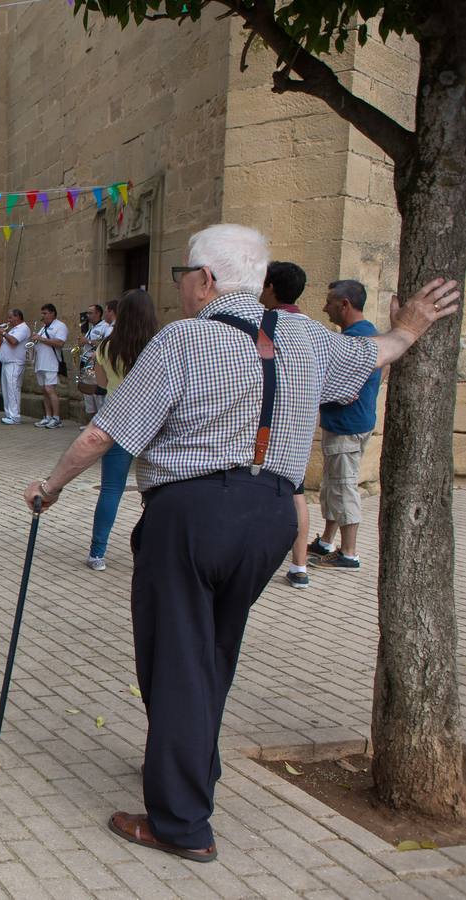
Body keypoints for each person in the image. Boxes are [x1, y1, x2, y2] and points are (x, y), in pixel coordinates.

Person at [22, 223, 459, 865]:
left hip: (192, 514)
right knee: (214, 648)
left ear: (207, 280)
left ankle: (181, 823)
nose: (180, 290)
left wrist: (49, 487)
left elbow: (102, 434)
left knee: (176, 659)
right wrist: (411, 327)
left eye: (183, 278)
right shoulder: (308, 337)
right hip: (271, 517)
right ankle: (197, 764)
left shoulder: (182, 340)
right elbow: (377, 354)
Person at [308, 280, 383, 571]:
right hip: (351, 423)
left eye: (329, 302)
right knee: (333, 484)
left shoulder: (354, 341)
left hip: (346, 426)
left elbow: (344, 389)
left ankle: (349, 552)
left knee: (343, 486)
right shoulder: (368, 335)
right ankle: (327, 541)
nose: (325, 307)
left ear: (345, 305)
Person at [85, 289, 158, 571]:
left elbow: (102, 384)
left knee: (111, 489)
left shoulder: (106, 345)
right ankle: (153, 548)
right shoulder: (156, 344)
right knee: (158, 490)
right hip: (151, 421)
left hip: (117, 419)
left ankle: (97, 552)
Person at [259, 260, 314, 587]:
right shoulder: (313, 328)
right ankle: (300, 566)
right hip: (301, 427)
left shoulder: (265, 323)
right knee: (297, 493)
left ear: (269, 287)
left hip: (267, 428)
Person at [27, 303, 69, 428]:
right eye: (42, 313)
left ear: (52, 313)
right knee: (44, 391)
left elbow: (60, 343)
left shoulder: (60, 326)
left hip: (51, 363)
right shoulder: (43, 327)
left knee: (50, 390)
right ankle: (47, 417)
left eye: (45, 313)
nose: (43, 316)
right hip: (40, 363)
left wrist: (41, 339)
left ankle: (56, 418)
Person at [0, 309, 30, 424]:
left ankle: (15, 416)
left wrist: (4, 332)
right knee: (6, 389)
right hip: (6, 363)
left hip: (15, 363)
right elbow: (1, 343)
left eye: (10, 318)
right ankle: (9, 414)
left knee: (13, 389)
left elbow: (14, 342)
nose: (8, 320)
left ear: (17, 317)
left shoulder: (23, 328)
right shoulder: (13, 329)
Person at [80, 302, 115, 417]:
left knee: (98, 394)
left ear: (98, 313)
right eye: (87, 313)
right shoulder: (90, 328)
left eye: (90, 313)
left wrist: (88, 341)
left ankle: (100, 422)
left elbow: (105, 344)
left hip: (98, 363)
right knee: (88, 393)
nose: (87, 315)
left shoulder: (106, 326)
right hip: (87, 363)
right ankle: (91, 422)